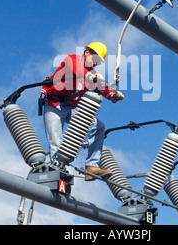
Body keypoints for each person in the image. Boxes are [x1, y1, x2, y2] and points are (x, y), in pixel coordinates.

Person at [41, 42, 124, 181]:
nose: (96, 64)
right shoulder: (71, 59)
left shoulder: (92, 74)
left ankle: (92, 166)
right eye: (95, 59)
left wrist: (112, 95)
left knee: (99, 126)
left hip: (73, 106)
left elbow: (102, 87)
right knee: (56, 141)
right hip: (54, 105)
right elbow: (77, 71)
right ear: (87, 53)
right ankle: (57, 173)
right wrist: (95, 79)